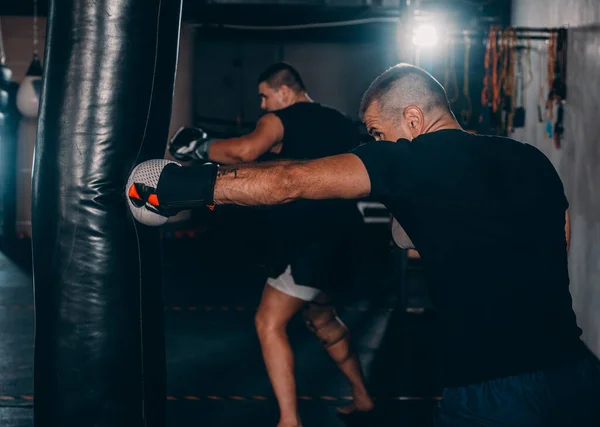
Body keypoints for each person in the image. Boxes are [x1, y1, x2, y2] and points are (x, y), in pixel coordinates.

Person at [129, 63, 600, 427]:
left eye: (378, 132)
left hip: (491, 389)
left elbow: (289, 181)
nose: (378, 142)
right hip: (577, 376)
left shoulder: (408, 161)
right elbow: (556, 242)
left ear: (413, 119)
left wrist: (177, 187)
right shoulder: (532, 159)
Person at [167, 63, 374, 427]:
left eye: (265, 96)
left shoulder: (281, 119)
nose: (263, 105)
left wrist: (202, 147)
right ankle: (363, 397)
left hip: (310, 243)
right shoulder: (341, 121)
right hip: (349, 241)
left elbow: (245, 151)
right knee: (322, 319)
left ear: (284, 91)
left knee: (268, 321)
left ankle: (289, 420)